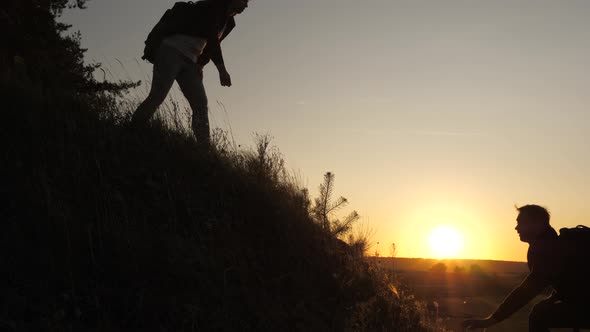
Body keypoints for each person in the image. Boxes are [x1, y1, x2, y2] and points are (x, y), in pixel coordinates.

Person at [131, 0, 249, 147]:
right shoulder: (214, 6)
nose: (246, 5)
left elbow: (210, 46)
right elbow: (211, 37)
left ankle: (205, 150)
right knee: (157, 96)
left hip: (191, 61)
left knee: (200, 104)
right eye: (244, 1)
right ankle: (131, 131)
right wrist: (222, 70)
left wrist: (200, 65)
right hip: (172, 50)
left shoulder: (230, 23)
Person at [462, 205, 590, 331]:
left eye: (520, 223)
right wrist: (553, 298)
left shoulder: (547, 249)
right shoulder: (555, 244)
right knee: (540, 311)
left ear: (537, 223)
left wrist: (490, 320)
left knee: (539, 317)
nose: (516, 228)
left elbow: (529, 289)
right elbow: (570, 279)